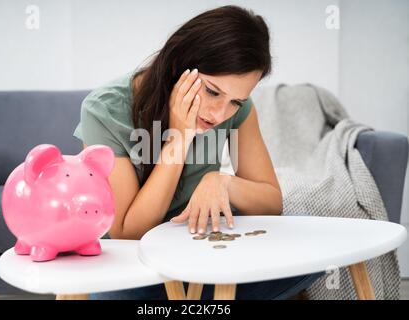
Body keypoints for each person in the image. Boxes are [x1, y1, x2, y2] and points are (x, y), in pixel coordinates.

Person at [73, 5, 323, 300]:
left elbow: (271, 202)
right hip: (137, 263)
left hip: (202, 254)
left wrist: (222, 182)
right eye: (213, 91)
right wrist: (179, 137)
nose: (220, 113)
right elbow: (129, 233)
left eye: (235, 101)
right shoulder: (104, 110)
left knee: (313, 255)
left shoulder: (237, 112)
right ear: (177, 64)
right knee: (115, 296)